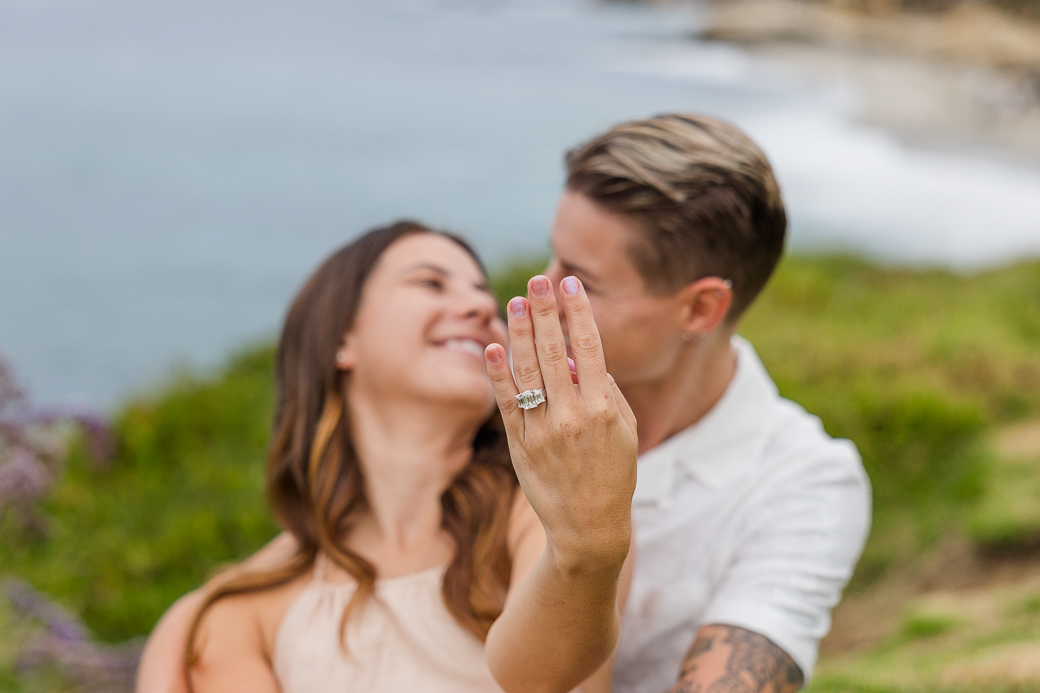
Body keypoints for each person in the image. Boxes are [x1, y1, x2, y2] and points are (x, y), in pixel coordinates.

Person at [136, 221, 638, 693]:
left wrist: (585, 544)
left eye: (483, 292)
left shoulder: (555, 513)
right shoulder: (241, 607)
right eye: (431, 284)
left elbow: (545, 679)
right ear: (341, 339)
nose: (481, 309)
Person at [541, 114, 872, 693]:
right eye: (553, 258)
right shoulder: (497, 393)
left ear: (699, 310)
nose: (538, 294)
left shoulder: (805, 484)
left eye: (579, 283)